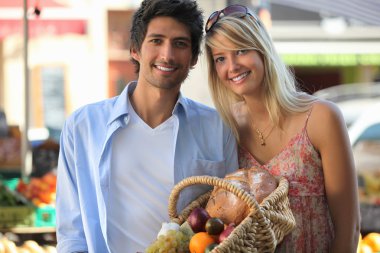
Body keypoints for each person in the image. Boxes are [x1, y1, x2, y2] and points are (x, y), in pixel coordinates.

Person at [55, 0, 239, 252]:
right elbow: (72, 232)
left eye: (180, 44)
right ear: (135, 49)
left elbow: (231, 219)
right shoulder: (83, 127)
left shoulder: (218, 128)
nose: (167, 54)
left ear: (194, 57)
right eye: (156, 40)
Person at [204, 4, 360, 252]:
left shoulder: (321, 118)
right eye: (220, 58)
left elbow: (349, 232)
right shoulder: (227, 127)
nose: (231, 66)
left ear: (262, 51)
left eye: (241, 50)